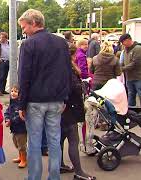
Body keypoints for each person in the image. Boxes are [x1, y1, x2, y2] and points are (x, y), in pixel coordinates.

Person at [17, 9, 72, 180]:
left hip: (35, 101)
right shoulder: (61, 42)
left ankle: (34, 177)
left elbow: (24, 76)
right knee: (54, 141)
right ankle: (54, 177)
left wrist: (21, 104)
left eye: (24, 27)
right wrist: (65, 98)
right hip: (56, 99)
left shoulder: (28, 44)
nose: (23, 31)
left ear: (33, 23)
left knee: (34, 141)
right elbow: (67, 72)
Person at [61, 44, 96, 180]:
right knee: (73, 139)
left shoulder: (59, 67)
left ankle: (60, 164)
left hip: (64, 107)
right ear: (72, 55)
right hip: (70, 107)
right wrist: (83, 85)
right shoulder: (68, 69)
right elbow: (71, 88)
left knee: (61, 138)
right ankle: (79, 172)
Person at [5, 85, 27, 168]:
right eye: (12, 91)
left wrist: (11, 121)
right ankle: (20, 157)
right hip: (14, 128)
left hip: (21, 128)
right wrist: (7, 119)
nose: (13, 93)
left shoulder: (21, 104)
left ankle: (24, 159)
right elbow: (7, 112)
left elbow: (20, 116)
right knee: (16, 143)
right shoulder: (12, 102)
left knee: (22, 145)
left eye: (15, 91)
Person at [119, 33, 141, 106]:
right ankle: (132, 113)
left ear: (128, 40)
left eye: (123, 42)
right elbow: (123, 62)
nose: (123, 44)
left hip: (139, 78)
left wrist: (122, 69)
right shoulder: (126, 50)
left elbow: (135, 63)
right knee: (130, 96)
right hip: (129, 78)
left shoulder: (138, 49)